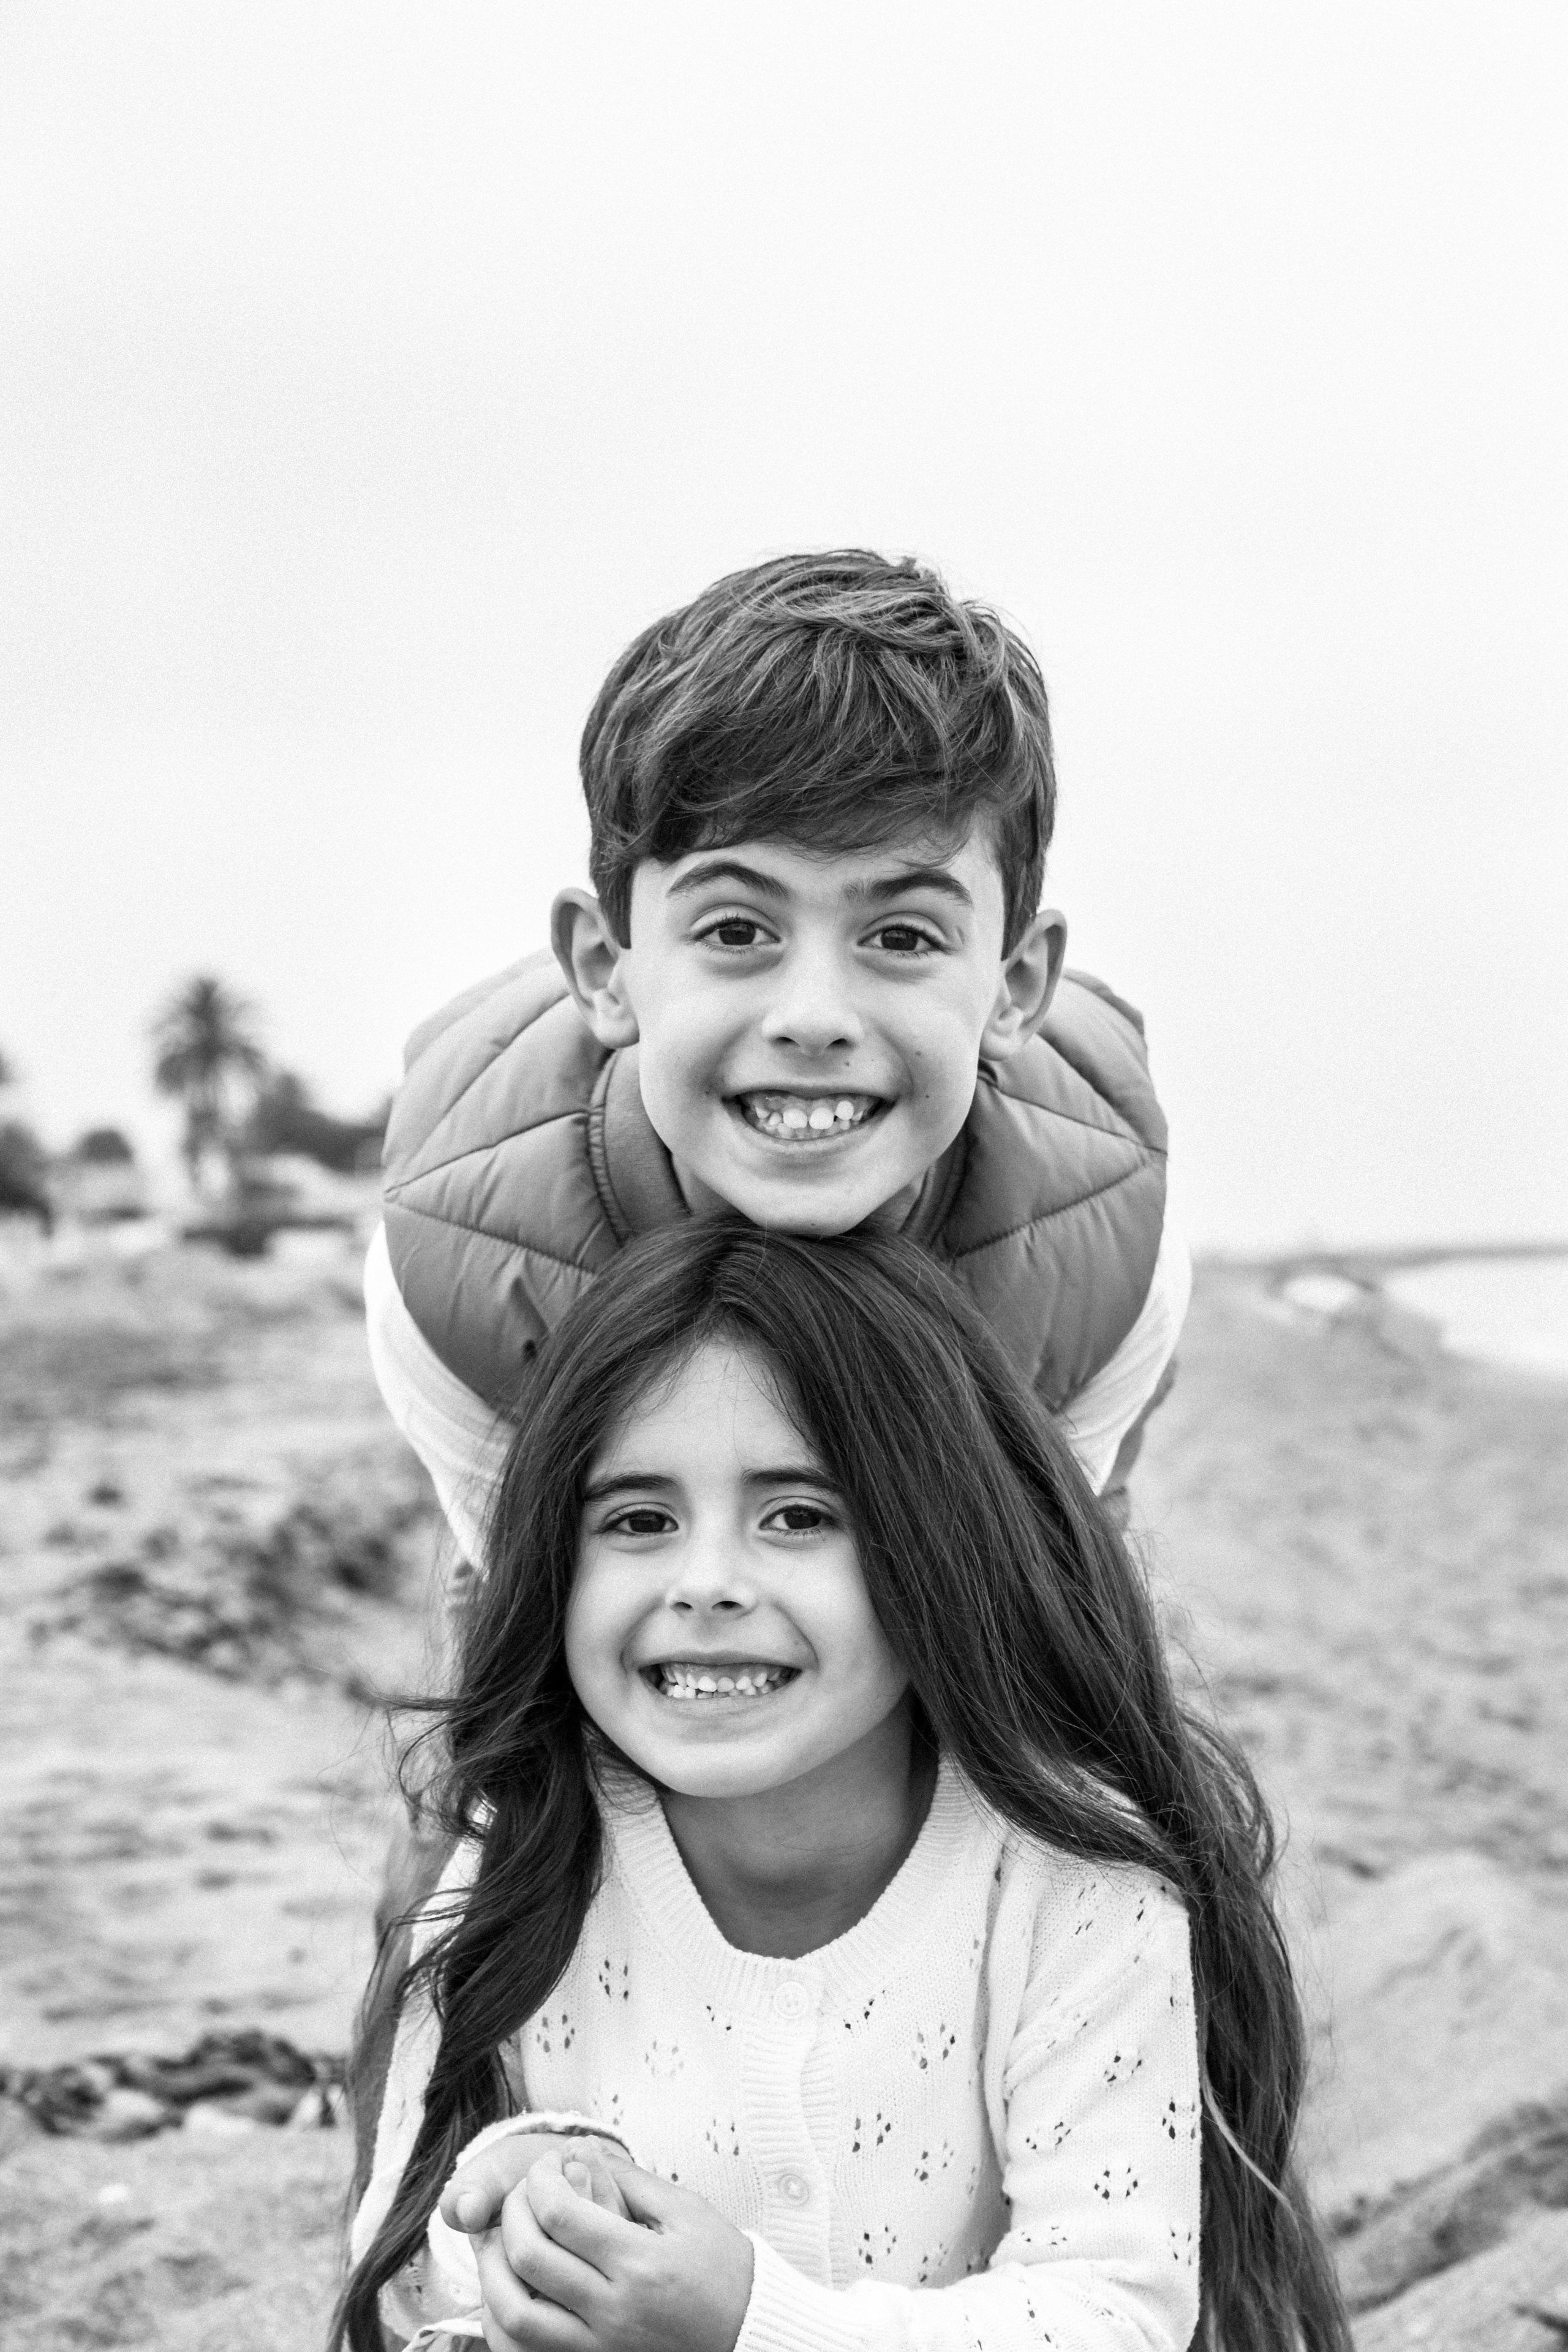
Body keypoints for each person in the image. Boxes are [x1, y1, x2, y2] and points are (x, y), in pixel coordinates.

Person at [336, 1224, 1348, 2352]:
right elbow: (405, 2287)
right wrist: (518, 2200)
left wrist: (749, 2322)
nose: (708, 1582)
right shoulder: (518, 1850)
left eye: (799, 1516)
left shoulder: (1077, 1882)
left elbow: (1114, 2311)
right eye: (639, 1520)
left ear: (939, 1545)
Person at [366, 549, 1189, 1594]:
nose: (812, 1019)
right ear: (603, 969)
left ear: (1016, 987)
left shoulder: (1098, 1252)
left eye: (901, 937)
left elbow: (1007, 1638)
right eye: (738, 927)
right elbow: (557, 1642)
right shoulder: (467, 1274)